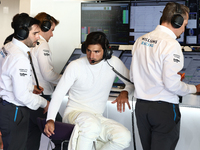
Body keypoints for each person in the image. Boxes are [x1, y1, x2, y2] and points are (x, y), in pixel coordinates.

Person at [44, 31, 134, 150]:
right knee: (91, 125)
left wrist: (125, 92)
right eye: (88, 51)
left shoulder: (113, 63)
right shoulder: (75, 66)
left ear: (106, 51)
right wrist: (50, 119)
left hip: (96, 117)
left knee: (123, 136)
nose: (91, 56)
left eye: (96, 52)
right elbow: (58, 94)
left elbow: (132, 83)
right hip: (74, 113)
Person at [129, 2, 200, 150]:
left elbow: (133, 77)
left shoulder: (140, 40)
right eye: (184, 24)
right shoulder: (171, 44)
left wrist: (168, 78)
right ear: (177, 21)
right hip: (163, 110)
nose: (184, 28)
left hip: (142, 109)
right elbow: (172, 85)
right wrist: (194, 88)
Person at [0, 13, 49, 150]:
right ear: (22, 33)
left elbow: (7, 76)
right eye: (35, 33)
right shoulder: (19, 58)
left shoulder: (8, 47)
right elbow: (21, 96)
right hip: (15, 110)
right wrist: (44, 102)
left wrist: (29, 86)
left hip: (7, 108)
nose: (38, 37)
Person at [26, 12, 62, 150]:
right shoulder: (42, 44)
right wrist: (66, 80)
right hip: (43, 98)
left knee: (31, 140)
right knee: (62, 136)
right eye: (52, 30)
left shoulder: (29, 43)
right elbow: (48, 75)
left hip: (30, 98)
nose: (52, 34)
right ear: (44, 27)